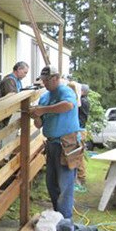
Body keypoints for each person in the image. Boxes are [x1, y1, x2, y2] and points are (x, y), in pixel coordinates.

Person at [28, 66, 81, 220]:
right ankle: (58, 216)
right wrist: (36, 115)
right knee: (51, 183)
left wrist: (43, 110)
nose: (45, 83)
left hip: (66, 144)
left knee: (65, 184)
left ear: (56, 78)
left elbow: (68, 105)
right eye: (43, 80)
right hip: (51, 144)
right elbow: (39, 125)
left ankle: (65, 220)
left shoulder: (65, 92)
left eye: (47, 80)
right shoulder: (45, 97)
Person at [76, 84, 90, 191]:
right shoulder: (84, 100)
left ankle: (81, 179)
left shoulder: (83, 101)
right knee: (78, 154)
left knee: (79, 155)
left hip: (80, 130)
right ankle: (80, 178)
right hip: (81, 129)